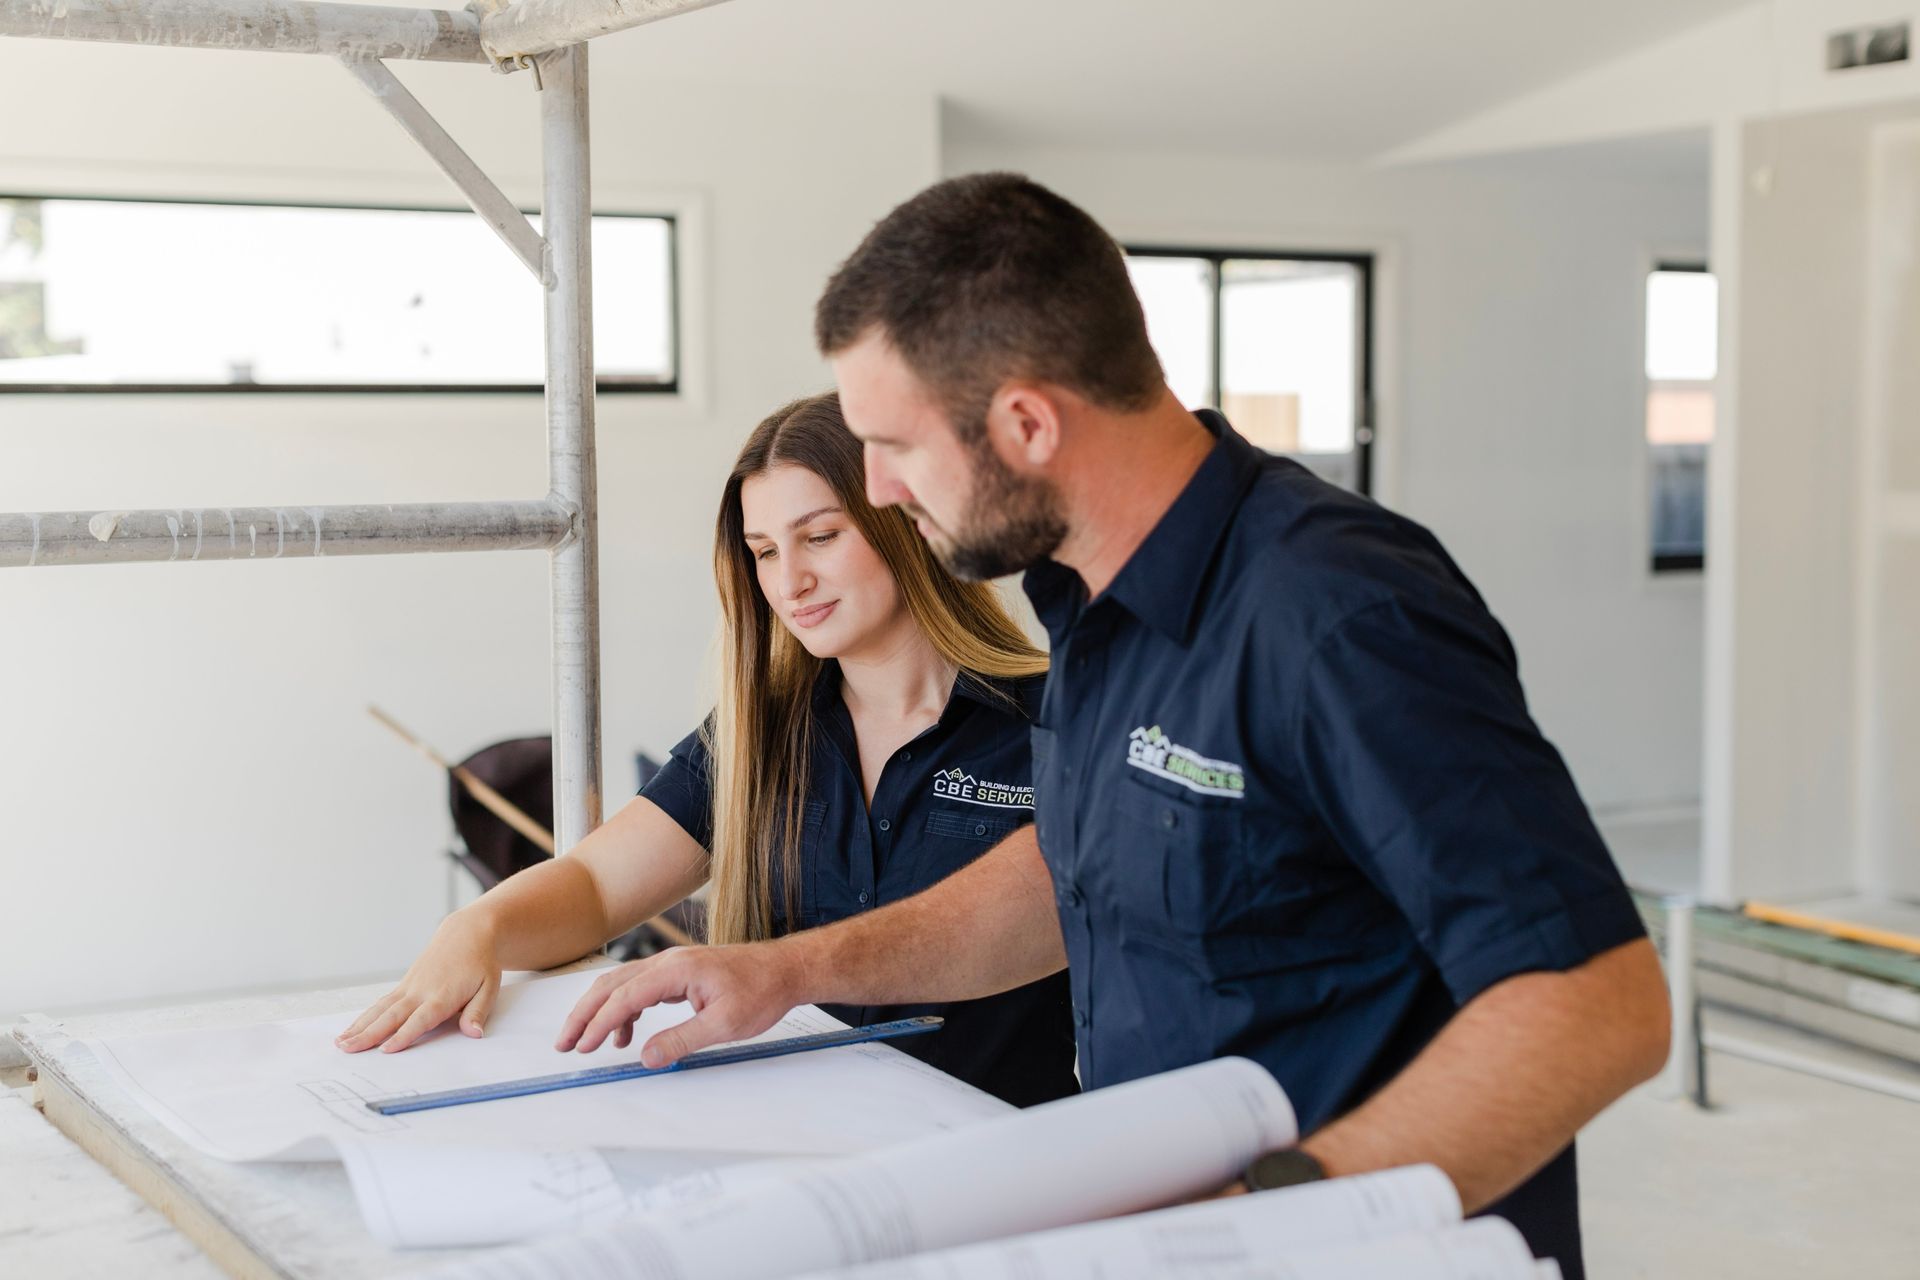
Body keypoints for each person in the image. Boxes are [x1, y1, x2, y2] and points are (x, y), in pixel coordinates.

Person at [554, 175, 1670, 1279]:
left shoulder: (1335, 611)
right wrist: (789, 968)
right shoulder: (1086, 605)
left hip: (1334, 1240)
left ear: (1028, 422)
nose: (882, 490)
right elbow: (1068, 880)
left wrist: (1266, 1211)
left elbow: (1596, 1003)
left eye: (895, 445)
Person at [338, 391, 1078, 1109]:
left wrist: (780, 969)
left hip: (998, 1161)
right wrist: (477, 928)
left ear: (910, 520)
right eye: (764, 552)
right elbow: (596, 888)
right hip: (802, 1156)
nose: (791, 582)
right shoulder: (759, 737)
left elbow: (1055, 911)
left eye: (821, 536)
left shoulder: (1061, 718)